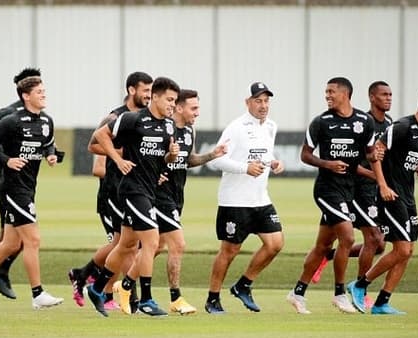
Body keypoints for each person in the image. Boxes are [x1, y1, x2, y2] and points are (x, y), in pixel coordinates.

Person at [0, 76, 64, 311]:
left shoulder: (47, 121)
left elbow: (48, 143)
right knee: (33, 239)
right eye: (39, 92)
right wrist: (7, 160)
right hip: (12, 188)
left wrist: (51, 155)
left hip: (29, 187)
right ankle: (38, 294)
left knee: (9, 243)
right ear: (26, 96)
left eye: (44, 91)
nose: (43, 95)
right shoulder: (11, 121)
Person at [85, 76, 181, 317]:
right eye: (169, 99)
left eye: (175, 101)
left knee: (126, 244)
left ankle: (97, 289)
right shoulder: (132, 119)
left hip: (150, 191)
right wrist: (117, 160)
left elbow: (163, 160)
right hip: (131, 190)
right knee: (151, 242)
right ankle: (147, 299)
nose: (172, 104)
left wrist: (170, 155)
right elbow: (100, 135)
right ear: (156, 97)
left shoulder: (169, 125)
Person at [347, 88, 418, 314]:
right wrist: (382, 185)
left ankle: (382, 302)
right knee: (401, 249)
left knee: (408, 250)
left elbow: (404, 159)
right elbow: (377, 155)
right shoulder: (402, 127)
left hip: (408, 197)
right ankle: (360, 284)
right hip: (391, 195)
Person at [286, 77, 381, 314]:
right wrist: (327, 164)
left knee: (322, 246)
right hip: (327, 189)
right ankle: (340, 293)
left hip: (349, 190)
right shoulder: (321, 122)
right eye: (326, 92)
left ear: (346, 94)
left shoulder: (364, 121)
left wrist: (382, 177)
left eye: (332, 91)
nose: (327, 95)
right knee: (347, 238)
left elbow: (370, 155)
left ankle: (297, 293)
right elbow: (305, 155)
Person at [68, 71, 153, 312]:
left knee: (126, 244)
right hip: (113, 193)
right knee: (126, 244)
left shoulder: (145, 119)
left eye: (151, 91)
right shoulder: (115, 117)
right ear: (131, 90)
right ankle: (129, 296)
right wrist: (121, 157)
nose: (148, 96)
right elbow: (95, 153)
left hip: (134, 191)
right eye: (145, 91)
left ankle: (85, 277)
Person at [204, 82, 285, 314]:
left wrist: (274, 162)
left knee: (275, 244)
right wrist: (244, 168)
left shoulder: (271, 126)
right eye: (258, 100)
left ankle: (243, 285)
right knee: (229, 252)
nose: (263, 105)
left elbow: (264, 154)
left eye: (266, 100)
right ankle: (212, 298)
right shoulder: (236, 127)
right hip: (235, 201)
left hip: (261, 199)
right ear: (247, 102)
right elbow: (217, 160)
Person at [311, 81, 392, 309]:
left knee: (379, 246)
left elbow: (389, 154)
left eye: (390, 95)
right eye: (383, 95)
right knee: (373, 238)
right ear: (371, 97)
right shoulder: (359, 122)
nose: (388, 98)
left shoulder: (388, 124)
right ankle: (359, 289)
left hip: (374, 189)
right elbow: (352, 163)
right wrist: (376, 177)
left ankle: (329, 256)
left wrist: (416, 167)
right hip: (355, 188)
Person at [154, 89, 227, 315]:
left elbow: (189, 160)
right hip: (158, 195)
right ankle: (175, 298)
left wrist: (211, 155)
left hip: (177, 196)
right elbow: (146, 157)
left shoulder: (189, 131)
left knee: (154, 246)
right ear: (178, 107)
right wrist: (156, 172)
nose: (198, 112)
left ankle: (117, 283)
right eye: (193, 108)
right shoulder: (162, 129)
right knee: (178, 244)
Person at [0, 67, 42, 301]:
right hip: (5, 179)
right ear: (23, 91)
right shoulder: (9, 113)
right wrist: (8, 159)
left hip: (24, 181)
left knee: (12, 233)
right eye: (35, 87)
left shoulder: (38, 117)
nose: (40, 91)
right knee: (21, 233)